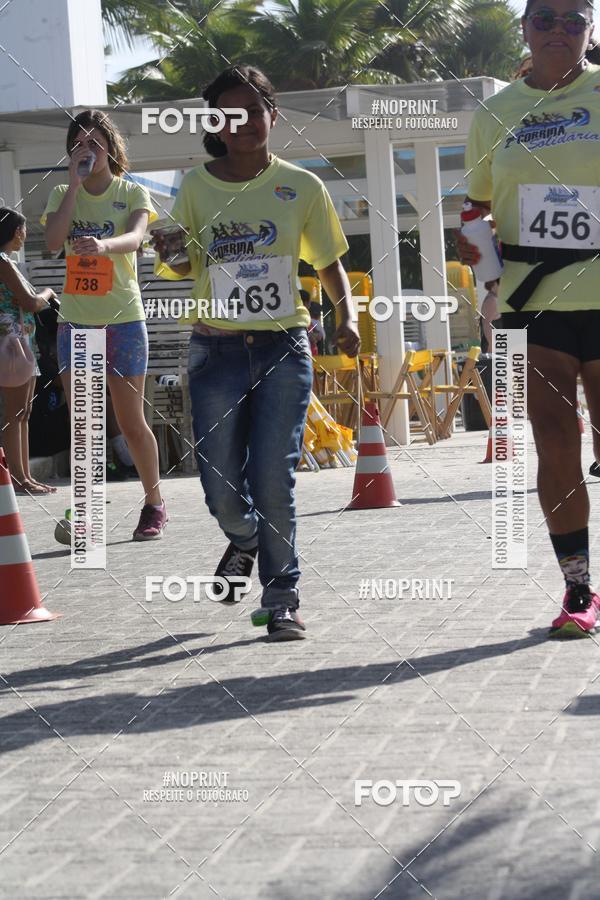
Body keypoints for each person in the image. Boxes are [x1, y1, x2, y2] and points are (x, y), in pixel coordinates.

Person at [154, 64, 360, 641]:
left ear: (274, 115)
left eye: (254, 110)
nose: (243, 122)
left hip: (283, 347)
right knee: (220, 486)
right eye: (229, 113)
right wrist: (168, 249)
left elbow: (328, 262)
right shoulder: (193, 186)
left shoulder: (303, 185)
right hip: (213, 351)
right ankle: (244, 539)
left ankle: (283, 597)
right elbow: (179, 264)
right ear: (215, 124)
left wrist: (347, 316)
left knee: (274, 477)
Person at [458, 0, 600, 636]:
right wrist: (479, 254)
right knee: (554, 442)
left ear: (592, 29)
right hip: (530, 299)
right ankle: (579, 590)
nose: (560, 31)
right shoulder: (496, 112)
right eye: (546, 18)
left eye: (576, 18)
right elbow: (475, 207)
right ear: (524, 29)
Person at [42, 109, 168, 540]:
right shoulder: (62, 191)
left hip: (123, 321)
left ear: (111, 148)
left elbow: (136, 238)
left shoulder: (132, 193)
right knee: (85, 423)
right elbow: (54, 242)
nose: (88, 151)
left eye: (96, 143)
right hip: (76, 322)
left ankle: (154, 503)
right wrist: (74, 186)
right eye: (80, 144)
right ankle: (86, 512)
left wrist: (103, 244)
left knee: (130, 421)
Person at [0, 207, 59, 494]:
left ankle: (24, 477)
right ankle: (19, 479)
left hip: (22, 342)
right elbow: (30, 302)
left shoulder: (8, 262)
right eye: (21, 229)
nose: (24, 234)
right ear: (11, 232)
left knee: (24, 412)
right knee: (16, 414)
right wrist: (49, 293)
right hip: (11, 345)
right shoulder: (3, 264)